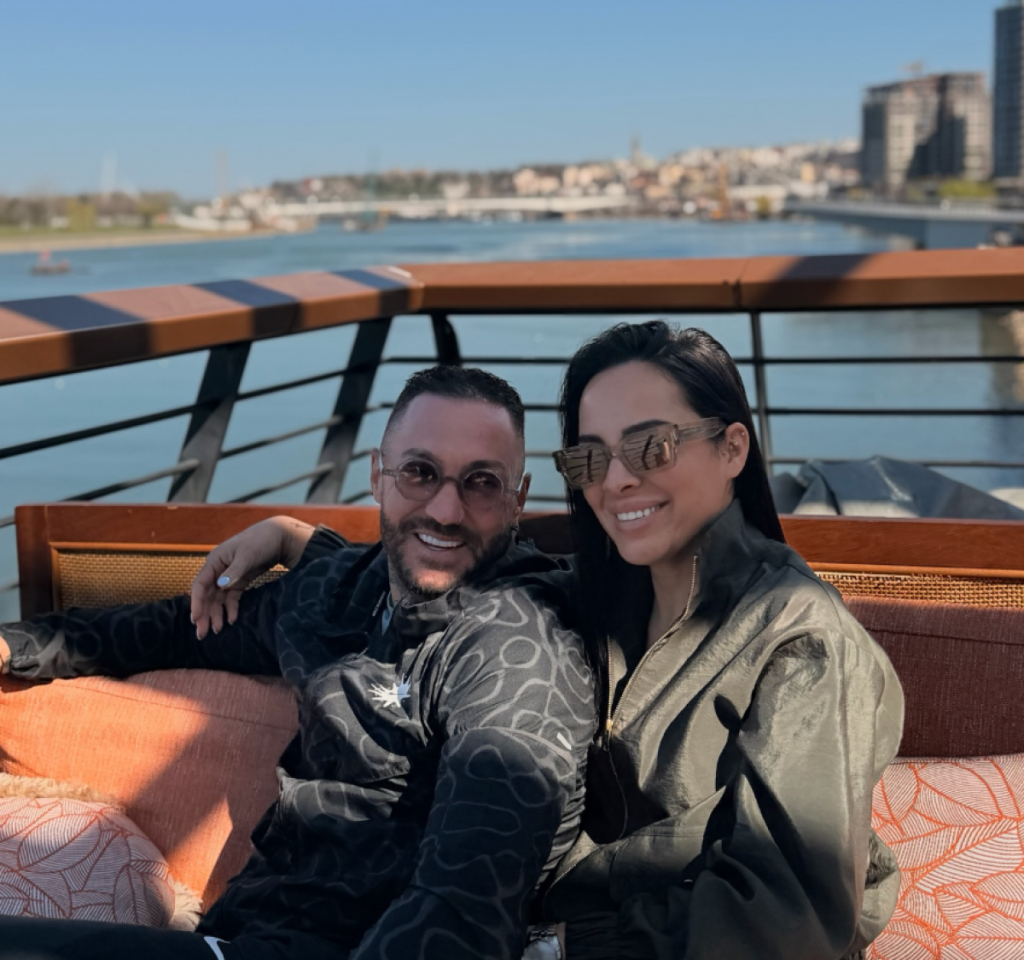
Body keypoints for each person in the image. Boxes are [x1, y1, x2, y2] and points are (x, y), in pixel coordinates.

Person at [202, 322, 904, 960]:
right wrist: (299, 542)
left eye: (651, 446)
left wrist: (550, 949)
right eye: (591, 458)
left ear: (733, 448)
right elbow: (444, 557)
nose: (618, 479)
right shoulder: (597, 590)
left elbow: (788, 915)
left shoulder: (801, 642)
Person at [0, 366, 596, 960]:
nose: (446, 510)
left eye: (482, 483)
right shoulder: (340, 591)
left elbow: (463, 910)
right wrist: (12, 646)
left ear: (517, 499)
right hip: (239, 932)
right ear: (377, 475)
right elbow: (165, 632)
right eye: (419, 472)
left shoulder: (518, 653)